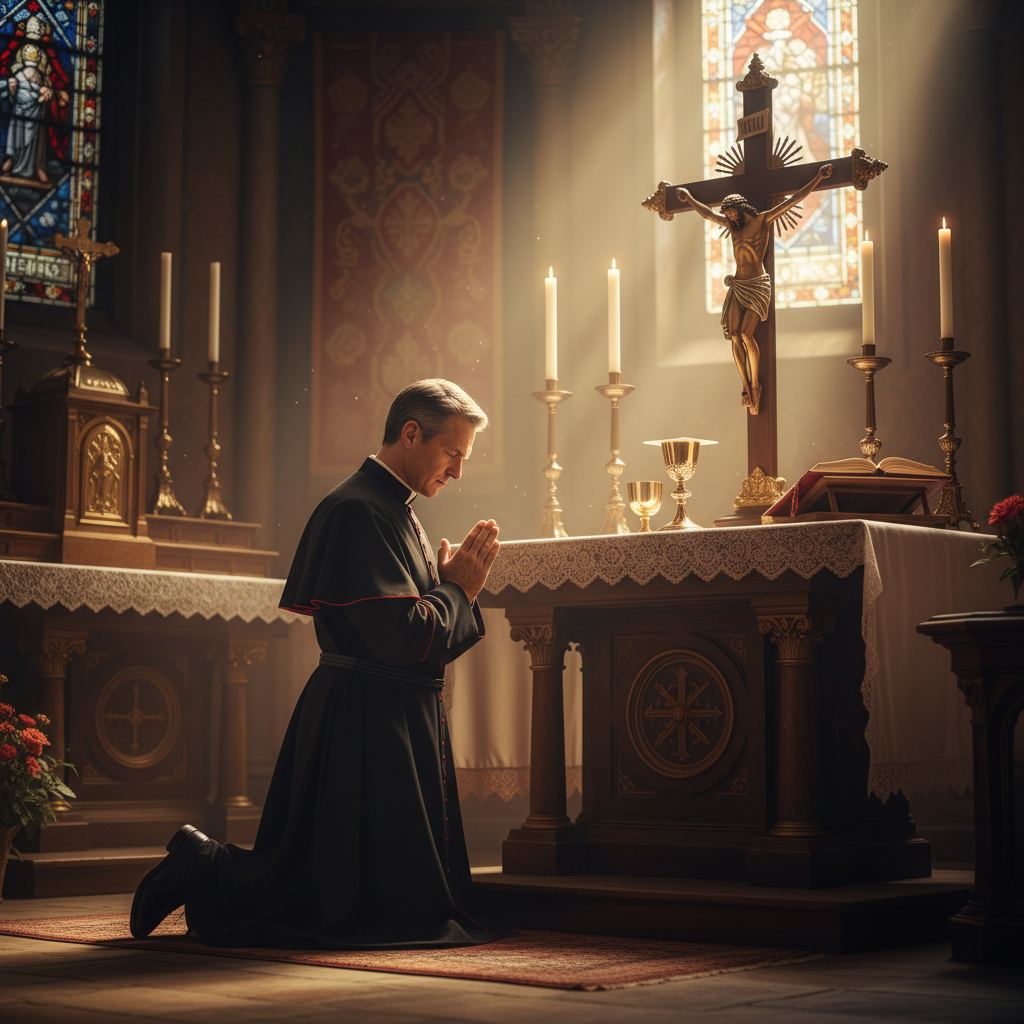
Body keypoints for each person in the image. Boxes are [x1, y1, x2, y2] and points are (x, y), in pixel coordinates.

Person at [130, 379, 505, 949]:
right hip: (363, 714)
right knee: (315, 891)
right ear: (411, 434)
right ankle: (201, 865)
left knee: (332, 882)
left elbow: (413, 632)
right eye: (452, 453)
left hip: (386, 711)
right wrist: (457, 591)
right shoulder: (357, 509)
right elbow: (403, 639)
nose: (457, 471)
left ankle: (201, 863)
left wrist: (448, 588)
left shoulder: (396, 508)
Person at [678, 162, 832, 415]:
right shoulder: (731, 227)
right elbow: (708, 214)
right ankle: (745, 386)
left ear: (739, 208)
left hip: (757, 284)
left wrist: (818, 178)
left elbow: (793, 201)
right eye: (727, 216)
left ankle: (756, 384)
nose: (730, 219)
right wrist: (690, 199)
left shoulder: (762, 221)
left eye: (732, 214)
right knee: (735, 336)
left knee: (747, 334)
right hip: (738, 285)